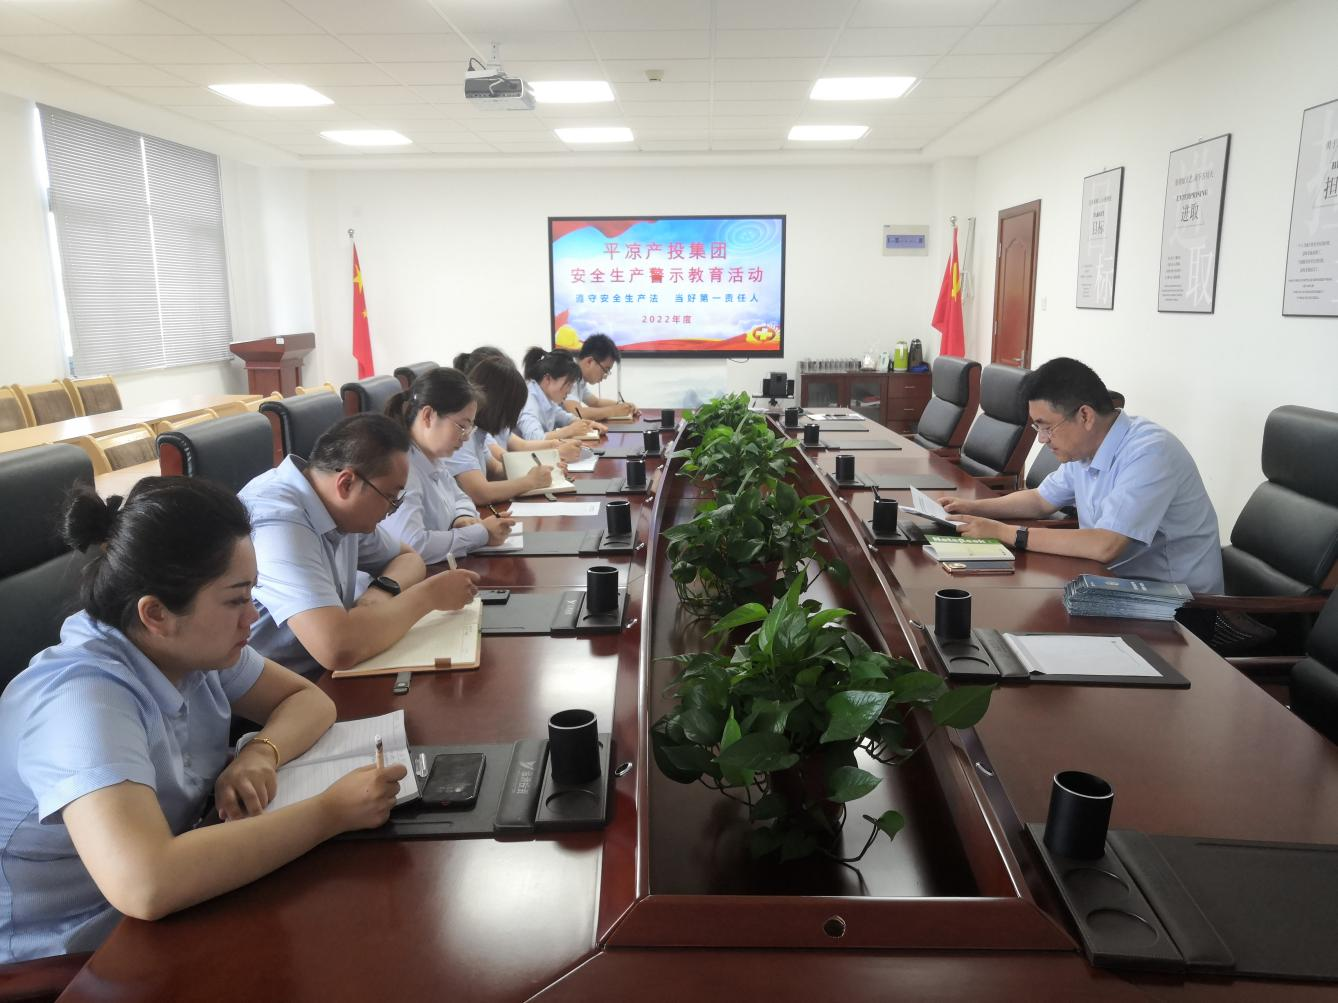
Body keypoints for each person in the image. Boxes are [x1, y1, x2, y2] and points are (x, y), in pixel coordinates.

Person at [0, 479, 407, 962]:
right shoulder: (82, 702)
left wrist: (261, 753)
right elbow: (146, 884)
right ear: (156, 613)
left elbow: (309, 701)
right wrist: (330, 813)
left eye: (251, 594)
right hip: (78, 948)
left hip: (173, 891)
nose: (251, 617)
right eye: (235, 600)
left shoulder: (187, 644)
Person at [936, 357, 1224, 593]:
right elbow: (1040, 500)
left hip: (1178, 606)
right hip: (1111, 583)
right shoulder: (1085, 448)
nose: (1042, 439)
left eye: (1046, 427)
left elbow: (1106, 545)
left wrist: (1004, 533)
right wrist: (972, 508)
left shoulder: (1149, 453)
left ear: (1085, 416)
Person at [240, 413, 480, 677]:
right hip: (274, 689)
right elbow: (337, 647)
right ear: (346, 483)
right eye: (390, 497)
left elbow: (408, 558)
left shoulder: (337, 506)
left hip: (324, 674)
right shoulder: (278, 522)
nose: (391, 510)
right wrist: (430, 596)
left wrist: (382, 591)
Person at [381, 367, 515, 563]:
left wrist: (461, 518)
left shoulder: (432, 457)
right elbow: (413, 545)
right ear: (428, 415)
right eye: (462, 426)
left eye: (470, 428)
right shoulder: (403, 469)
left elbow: (460, 497)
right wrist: (481, 533)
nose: (466, 437)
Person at [447, 355, 561, 506]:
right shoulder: (462, 435)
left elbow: (494, 470)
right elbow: (480, 493)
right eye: (513, 409)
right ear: (499, 406)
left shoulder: (479, 432)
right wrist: (530, 481)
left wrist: (543, 470)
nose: (512, 420)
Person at [517, 347, 606, 442]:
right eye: (568, 385)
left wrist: (588, 424)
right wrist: (569, 431)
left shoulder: (545, 397)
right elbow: (534, 439)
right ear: (548, 379)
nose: (569, 391)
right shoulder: (529, 400)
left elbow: (565, 417)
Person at [562, 333, 638, 420]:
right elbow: (577, 413)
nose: (605, 376)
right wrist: (613, 411)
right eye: (605, 370)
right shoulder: (569, 374)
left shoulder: (581, 378)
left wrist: (624, 406)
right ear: (589, 362)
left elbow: (596, 403)